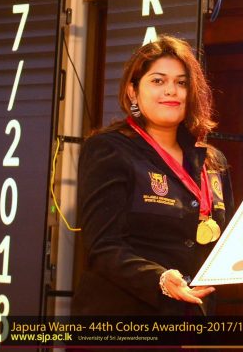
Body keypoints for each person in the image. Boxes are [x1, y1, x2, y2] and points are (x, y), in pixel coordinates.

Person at [72, 36, 234, 316]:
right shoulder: (109, 149)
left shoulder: (212, 160)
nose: (171, 90)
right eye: (158, 81)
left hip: (191, 321)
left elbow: (226, 242)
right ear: (133, 91)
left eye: (182, 82)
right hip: (122, 320)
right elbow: (103, 246)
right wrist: (158, 279)